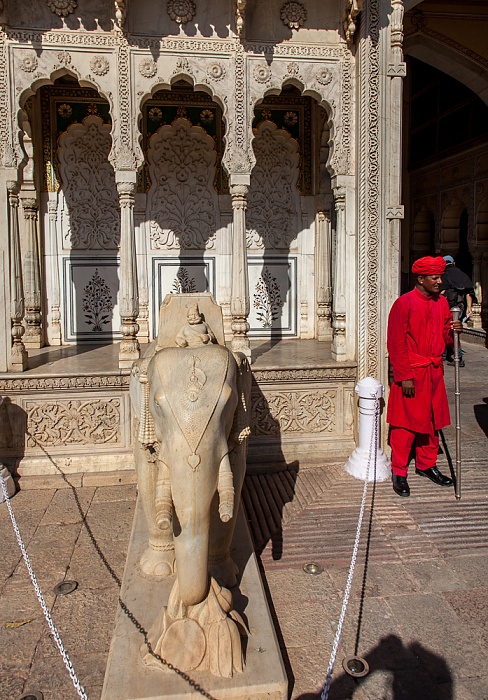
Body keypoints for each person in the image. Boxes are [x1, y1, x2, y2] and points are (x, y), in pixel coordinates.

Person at [387, 256, 463, 497]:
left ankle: (427, 464)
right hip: (413, 373)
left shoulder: (441, 303)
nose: (440, 281)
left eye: (440, 277)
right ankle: (399, 471)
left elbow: (447, 340)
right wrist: (404, 376)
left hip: (434, 373)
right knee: (405, 425)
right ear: (421, 279)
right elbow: (396, 343)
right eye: (435, 277)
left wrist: (454, 330)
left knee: (432, 422)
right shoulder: (404, 303)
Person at [440, 255, 474, 367]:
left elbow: (441, 292)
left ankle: (455, 357)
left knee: (445, 329)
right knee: (454, 329)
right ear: (453, 263)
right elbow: (469, 292)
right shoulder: (462, 275)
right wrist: (469, 307)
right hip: (459, 307)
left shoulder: (444, 275)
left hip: (446, 307)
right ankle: (453, 356)